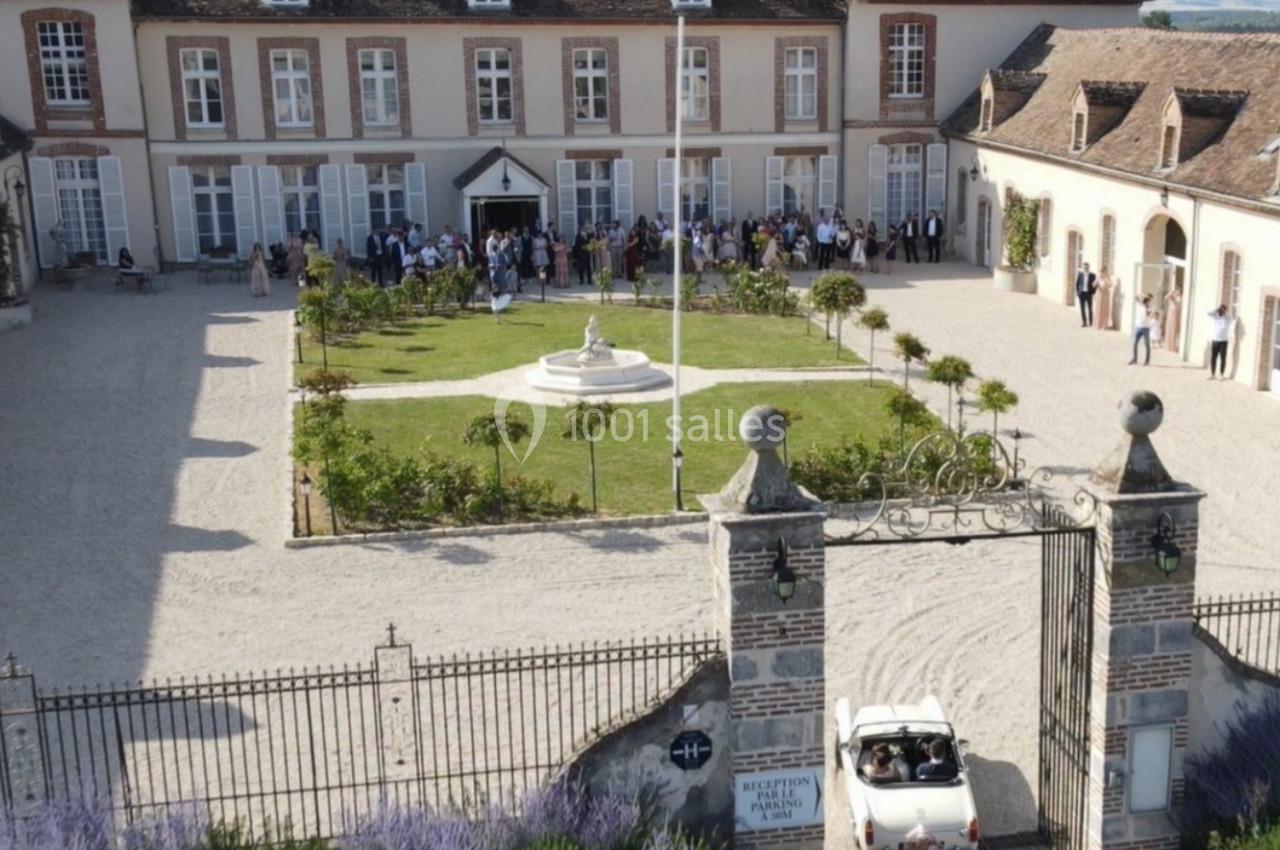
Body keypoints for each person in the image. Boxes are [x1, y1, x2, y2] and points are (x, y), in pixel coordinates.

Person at [1208, 305, 1233, 380]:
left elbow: (1231, 317)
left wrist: (1225, 312)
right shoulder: (1216, 317)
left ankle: (1221, 375)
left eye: (1223, 310)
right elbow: (1208, 313)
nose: (1221, 311)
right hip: (1215, 340)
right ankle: (1212, 374)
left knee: (1223, 358)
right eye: (1220, 310)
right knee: (1213, 358)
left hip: (1223, 341)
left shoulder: (1227, 318)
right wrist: (1216, 309)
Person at [1129, 294, 1154, 366]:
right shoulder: (1140, 305)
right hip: (1138, 327)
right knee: (1135, 343)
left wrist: (1147, 309)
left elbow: (1148, 315)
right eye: (1145, 299)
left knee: (1147, 344)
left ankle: (1147, 361)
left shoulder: (1149, 307)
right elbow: (1135, 297)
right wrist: (1143, 295)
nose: (1144, 300)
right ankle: (1134, 359)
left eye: (1146, 299)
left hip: (1146, 327)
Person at [1075, 262, 1098, 327]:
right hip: (1081, 294)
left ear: (1089, 267)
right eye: (1084, 267)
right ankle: (1084, 322)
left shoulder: (1092, 275)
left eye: (1087, 267)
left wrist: (1093, 293)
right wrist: (1077, 292)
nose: (1085, 268)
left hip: (1089, 294)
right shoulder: (1080, 274)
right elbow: (1077, 284)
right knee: (1082, 308)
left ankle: (1091, 322)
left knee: (1090, 308)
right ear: (1083, 267)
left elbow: (1095, 285)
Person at [1163, 284, 1183, 353]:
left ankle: (1173, 346)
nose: (1177, 291)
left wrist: (1173, 298)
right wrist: (1170, 293)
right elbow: (1165, 298)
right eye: (1177, 289)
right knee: (1169, 328)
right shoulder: (1173, 295)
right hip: (1171, 312)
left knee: (1174, 329)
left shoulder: (1180, 297)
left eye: (1179, 290)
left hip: (1176, 313)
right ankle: (1169, 345)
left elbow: (1177, 304)